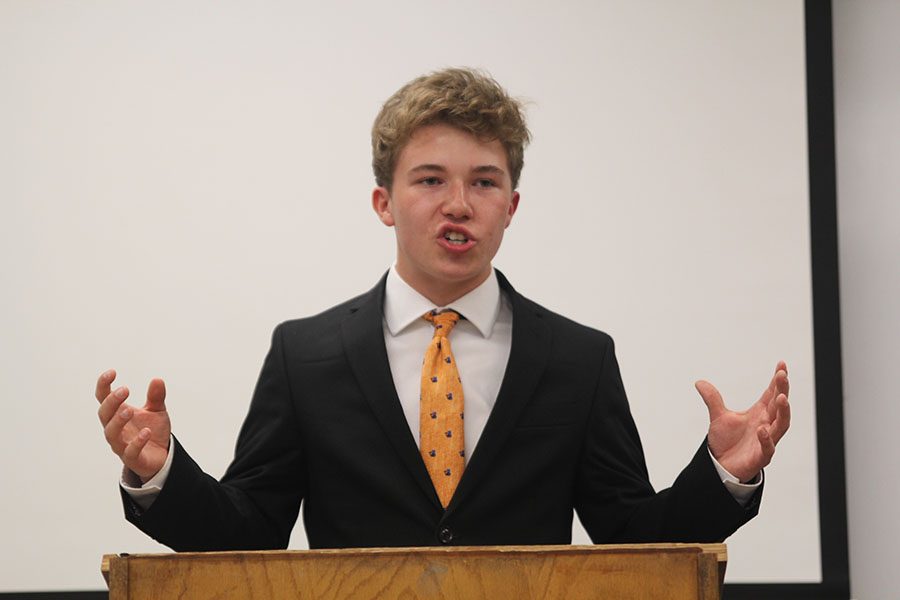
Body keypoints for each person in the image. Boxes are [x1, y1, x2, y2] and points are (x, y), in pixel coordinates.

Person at [95, 68, 791, 551]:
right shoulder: (304, 356)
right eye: (430, 180)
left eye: (484, 182)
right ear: (383, 202)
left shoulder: (578, 359)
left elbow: (636, 538)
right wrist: (161, 473)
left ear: (511, 207)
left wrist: (724, 474)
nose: (458, 204)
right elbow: (247, 532)